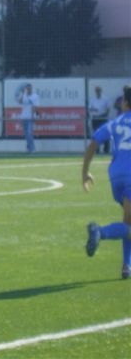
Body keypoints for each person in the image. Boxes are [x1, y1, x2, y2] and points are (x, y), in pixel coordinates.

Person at [83, 84, 131, 280]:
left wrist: (85, 173)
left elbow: (93, 144)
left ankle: (126, 266)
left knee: (128, 221)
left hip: (116, 176)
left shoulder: (115, 122)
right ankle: (100, 232)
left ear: (124, 103)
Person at [88, 86, 111, 154]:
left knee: (105, 133)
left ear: (101, 91)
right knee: (96, 134)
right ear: (95, 92)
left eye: (99, 90)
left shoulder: (105, 99)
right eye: (96, 91)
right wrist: (94, 110)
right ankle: (97, 150)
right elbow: (90, 108)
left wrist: (105, 116)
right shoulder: (92, 99)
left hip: (103, 118)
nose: (98, 92)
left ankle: (106, 150)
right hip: (95, 118)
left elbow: (108, 109)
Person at [18, 83, 39, 153]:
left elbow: (35, 107)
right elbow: (20, 102)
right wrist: (23, 94)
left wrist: (33, 116)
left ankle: (32, 148)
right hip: (24, 117)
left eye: (29, 88)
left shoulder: (35, 96)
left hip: (30, 117)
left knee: (29, 133)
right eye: (27, 88)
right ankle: (28, 147)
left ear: (31, 88)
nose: (28, 89)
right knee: (26, 134)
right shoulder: (24, 95)